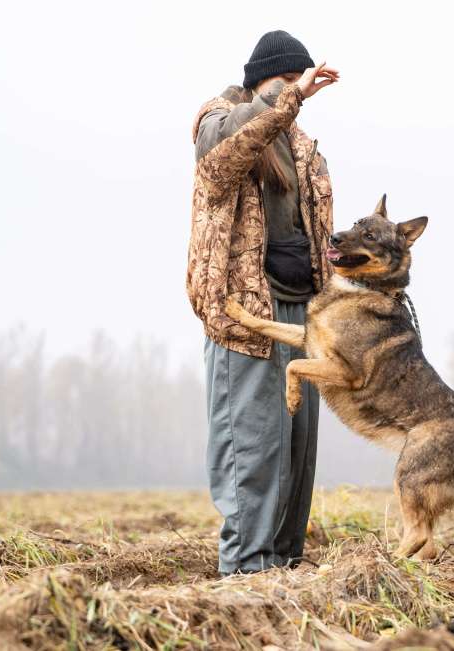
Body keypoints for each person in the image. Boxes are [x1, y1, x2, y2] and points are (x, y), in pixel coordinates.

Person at [188, 30, 339, 574]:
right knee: (252, 452)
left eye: (302, 80)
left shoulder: (302, 145)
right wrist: (289, 96)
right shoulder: (218, 120)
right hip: (247, 317)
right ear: (259, 81)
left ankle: (284, 572)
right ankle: (247, 574)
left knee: (296, 455)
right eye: (287, 80)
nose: (300, 89)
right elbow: (223, 156)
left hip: (305, 318)